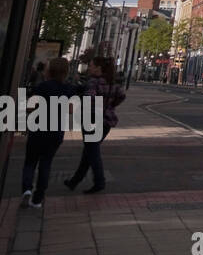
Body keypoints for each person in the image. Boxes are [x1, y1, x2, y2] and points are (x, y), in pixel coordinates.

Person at [65, 56, 127, 194]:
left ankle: (99, 181)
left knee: (92, 152)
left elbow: (89, 98)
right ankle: (75, 181)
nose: (89, 68)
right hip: (107, 120)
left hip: (92, 120)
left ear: (99, 68)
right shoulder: (112, 82)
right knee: (89, 151)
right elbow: (122, 96)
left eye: (92, 65)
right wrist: (110, 106)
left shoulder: (93, 82)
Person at [21, 57, 76, 208]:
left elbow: (30, 106)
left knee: (30, 161)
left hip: (38, 129)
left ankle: (26, 189)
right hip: (55, 132)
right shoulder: (68, 89)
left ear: (49, 71)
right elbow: (71, 110)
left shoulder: (42, 87)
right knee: (46, 164)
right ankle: (38, 199)